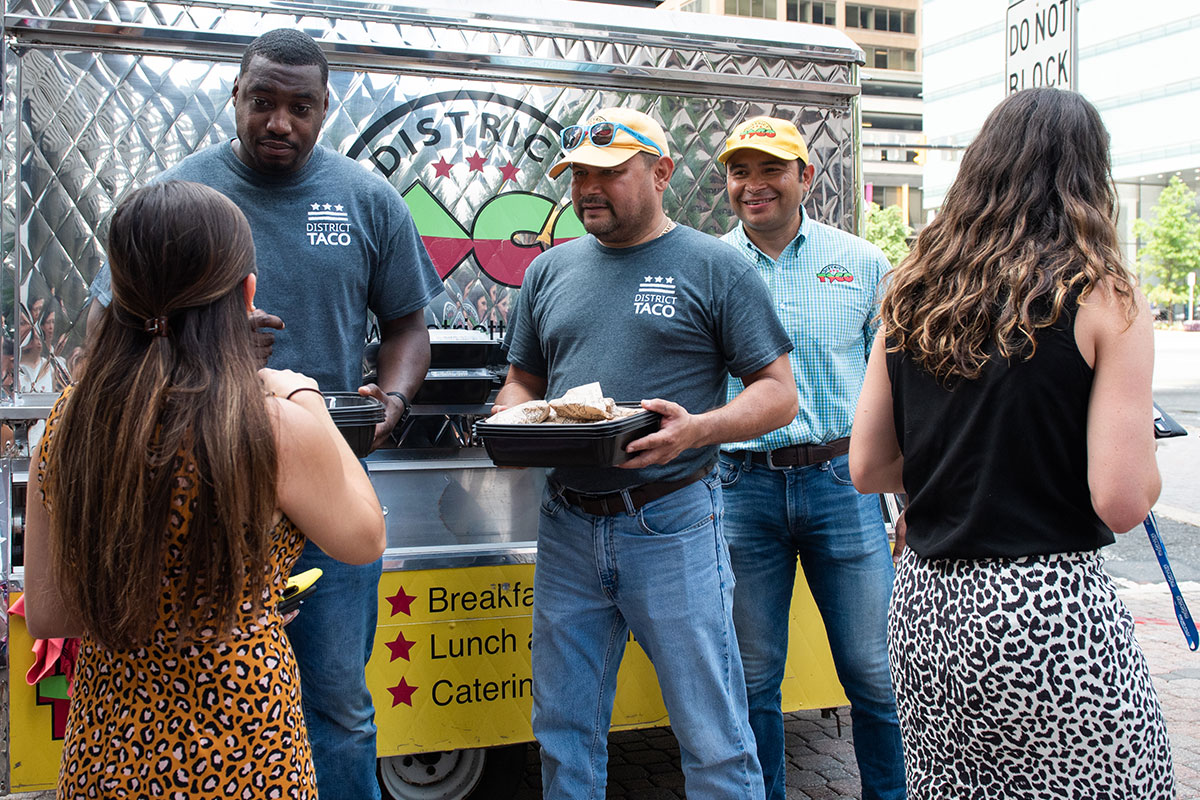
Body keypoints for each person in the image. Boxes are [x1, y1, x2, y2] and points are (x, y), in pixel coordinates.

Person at [85, 29, 443, 799]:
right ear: (236, 97)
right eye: (264, 102)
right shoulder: (184, 195)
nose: (280, 121)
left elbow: (410, 327)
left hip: (327, 487)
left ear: (324, 110)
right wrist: (203, 348)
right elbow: (114, 326)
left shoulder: (366, 198)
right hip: (199, 495)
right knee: (211, 695)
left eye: (300, 107)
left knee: (339, 703)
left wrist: (397, 398)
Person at [849, 88, 1175, 799]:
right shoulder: (1104, 296)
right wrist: (1141, 460)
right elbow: (1120, 501)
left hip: (928, 606)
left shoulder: (911, 291)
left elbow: (869, 466)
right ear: (1089, 177)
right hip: (1046, 610)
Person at [22, 180, 386, 799]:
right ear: (246, 294)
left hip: (108, 747)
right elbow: (364, 537)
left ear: (119, 292)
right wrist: (307, 400)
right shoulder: (270, 425)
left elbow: (51, 614)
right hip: (244, 747)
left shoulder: (66, 421)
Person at [496, 107, 798, 800]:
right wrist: (508, 415)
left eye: (609, 173)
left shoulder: (715, 265)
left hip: (673, 523)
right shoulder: (549, 272)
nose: (587, 190)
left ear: (661, 172)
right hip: (567, 523)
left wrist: (699, 430)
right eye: (578, 176)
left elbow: (779, 394)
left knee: (713, 738)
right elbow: (524, 379)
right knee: (563, 731)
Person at [715, 115, 905, 800]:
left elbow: (897, 388)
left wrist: (907, 496)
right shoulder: (706, 263)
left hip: (841, 481)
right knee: (754, 676)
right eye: (741, 170)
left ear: (806, 177)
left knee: (875, 672)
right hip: (738, 486)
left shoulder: (863, 262)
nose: (754, 184)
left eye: (771, 169)